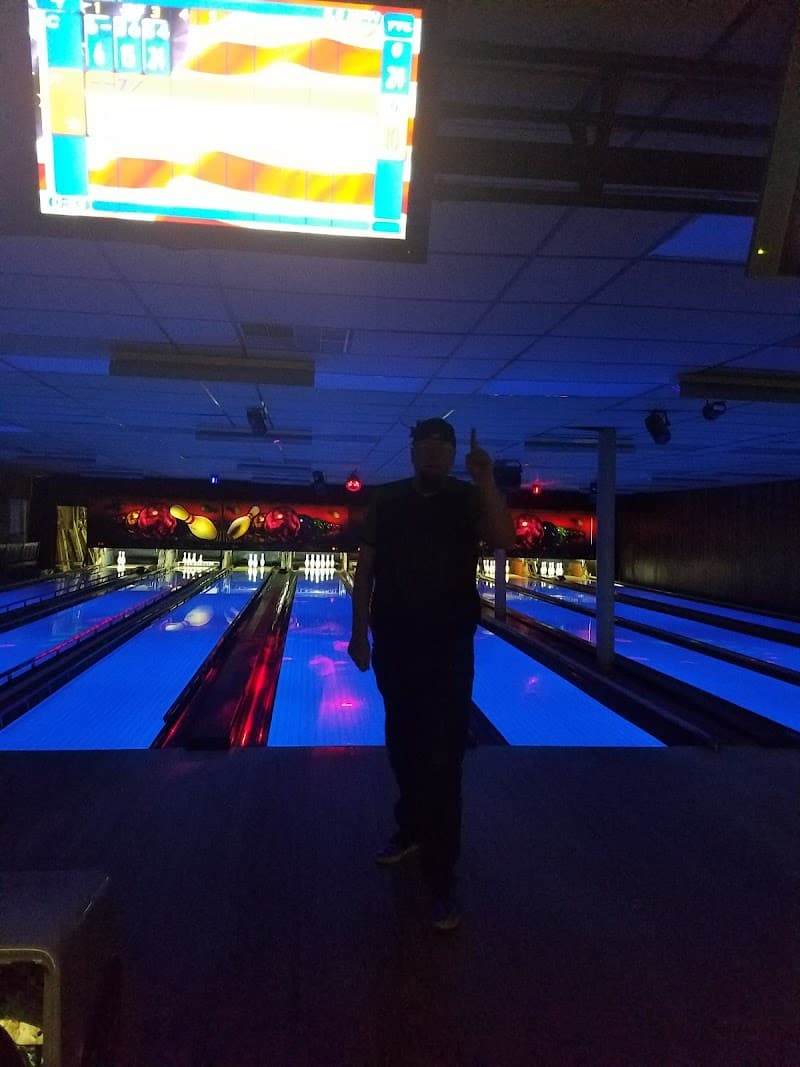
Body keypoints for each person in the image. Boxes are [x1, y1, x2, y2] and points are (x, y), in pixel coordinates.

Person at [348, 418, 515, 931]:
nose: (437, 455)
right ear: (414, 451)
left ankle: (442, 880)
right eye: (429, 446)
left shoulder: (467, 498)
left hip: (447, 646)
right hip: (394, 641)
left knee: (443, 761)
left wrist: (487, 480)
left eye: (445, 448)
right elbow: (366, 570)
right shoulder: (388, 499)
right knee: (401, 743)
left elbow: (504, 538)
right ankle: (410, 829)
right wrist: (358, 633)